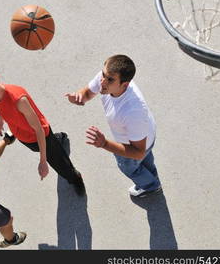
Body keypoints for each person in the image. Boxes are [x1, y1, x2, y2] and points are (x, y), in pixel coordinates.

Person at [0, 65, 85, 196]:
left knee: (60, 164)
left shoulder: (19, 100)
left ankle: (75, 178)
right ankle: (58, 139)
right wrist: (0, 123)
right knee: (40, 147)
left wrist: (43, 161)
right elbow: (1, 108)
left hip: (41, 135)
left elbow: (39, 129)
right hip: (24, 136)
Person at [65, 54, 161, 197]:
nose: (102, 82)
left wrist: (104, 143)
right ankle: (152, 178)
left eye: (109, 80)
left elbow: (138, 152)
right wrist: (79, 97)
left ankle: (150, 186)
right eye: (103, 75)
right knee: (146, 161)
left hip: (138, 142)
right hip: (142, 135)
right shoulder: (106, 79)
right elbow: (88, 93)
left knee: (130, 167)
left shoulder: (133, 111)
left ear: (125, 84)